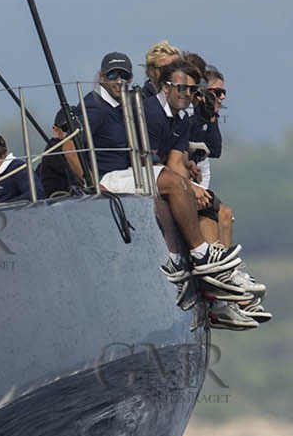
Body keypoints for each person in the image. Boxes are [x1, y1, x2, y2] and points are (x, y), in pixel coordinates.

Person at [83, 52, 260, 330]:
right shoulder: (151, 111)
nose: (187, 94)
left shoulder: (180, 119)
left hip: (146, 173)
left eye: (191, 89)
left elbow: (177, 161)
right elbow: (148, 160)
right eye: (181, 88)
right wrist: (185, 185)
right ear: (166, 87)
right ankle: (200, 255)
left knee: (214, 208)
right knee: (177, 186)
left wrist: (195, 189)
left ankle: (218, 283)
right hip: (116, 175)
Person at [36, 107, 86, 197]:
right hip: (61, 202)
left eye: (78, 127)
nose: (74, 132)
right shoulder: (56, 150)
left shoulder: (87, 146)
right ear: (55, 130)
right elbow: (77, 180)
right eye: (67, 128)